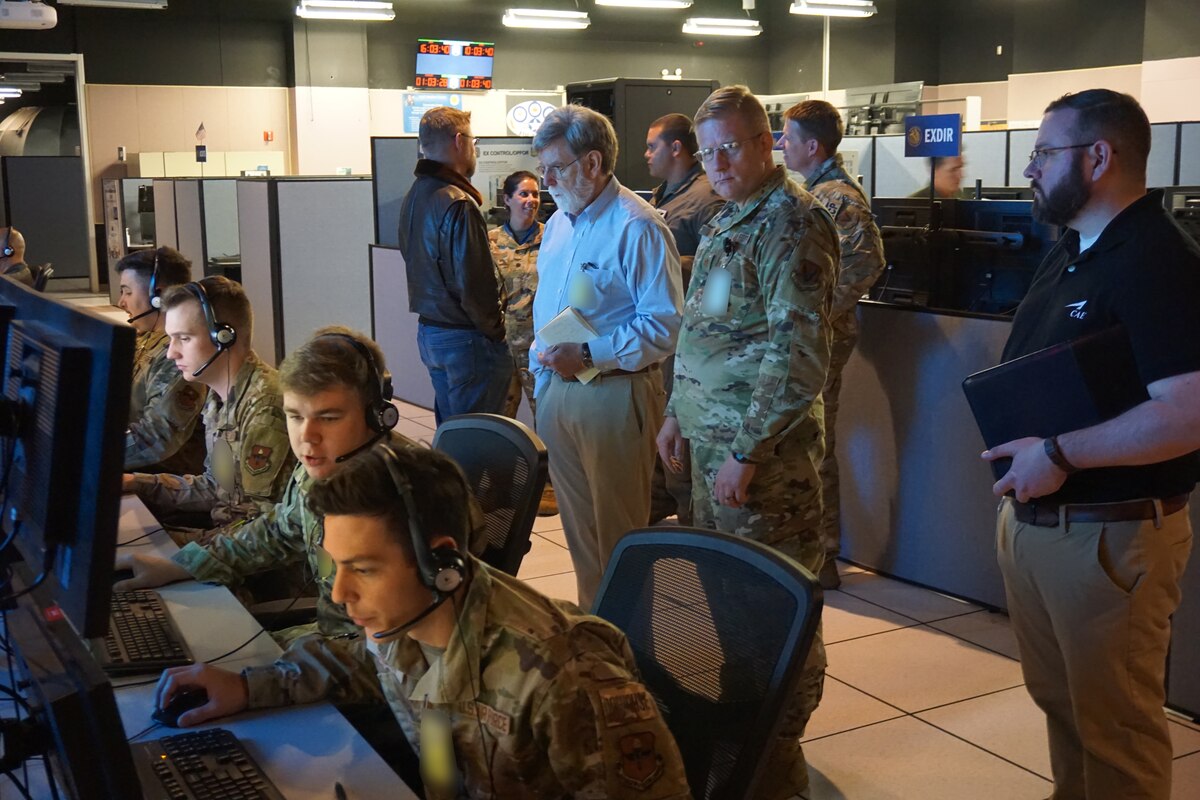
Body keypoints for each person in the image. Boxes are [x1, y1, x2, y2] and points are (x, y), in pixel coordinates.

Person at [151, 444, 693, 800]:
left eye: (363, 569)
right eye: (337, 566)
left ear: (442, 562)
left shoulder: (562, 681)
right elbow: (365, 663)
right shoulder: (410, 617)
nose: (341, 594)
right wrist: (249, 687)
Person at [982, 89, 1200, 800]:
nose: (1030, 169)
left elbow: (1188, 413)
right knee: (1066, 714)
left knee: (1116, 736)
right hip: (1041, 525)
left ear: (1098, 156)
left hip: (1110, 540)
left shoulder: (1158, 260)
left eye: (1045, 153)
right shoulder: (1073, 247)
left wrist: (1061, 454)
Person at [657, 85, 839, 799]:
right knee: (721, 608)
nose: (719, 162)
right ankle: (741, 749)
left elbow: (796, 357)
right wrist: (676, 410)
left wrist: (749, 451)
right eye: (708, 152)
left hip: (762, 467)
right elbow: (703, 331)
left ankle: (778, 761)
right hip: (709, 452)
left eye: (732, 147)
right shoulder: (729, 219)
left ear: (767, 144)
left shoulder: (793, 223)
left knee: (773, 613)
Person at [116, 326, 414, 642]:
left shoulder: (399, 498)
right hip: (334, 641)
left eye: (328, 417)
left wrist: (254, 681)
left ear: (377, 416)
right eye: (295, 416)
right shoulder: (324, 468)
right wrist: (183, 565)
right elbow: (276, 532)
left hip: (363, 658)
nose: (306, 437)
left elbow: (391, 652)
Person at [530, 104, 683, 609]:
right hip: (560, 392)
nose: (546, 179)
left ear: (593, 164)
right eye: (542, 167)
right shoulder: (558, 226)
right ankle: (597, 642)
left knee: (619, 536)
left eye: (557, 166)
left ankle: (631, 646)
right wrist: (543, 370)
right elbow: (548, 305)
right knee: (580, 535)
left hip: (613, 393)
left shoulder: (637, 226)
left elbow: (663, 324)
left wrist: (590, 354)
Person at [781, 99, 886, 590]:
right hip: (809, 338)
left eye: (787, 136)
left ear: (812, 145)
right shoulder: (813, 192)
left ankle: (821, 558)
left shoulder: (837, 197)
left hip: (822, 340)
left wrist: (819, 311)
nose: (782, 145)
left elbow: (867, 264)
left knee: (816, 444)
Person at [124, 276, 294, 536]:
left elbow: (257, 530)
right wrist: (137, 483)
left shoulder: (265, 410)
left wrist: (181, 552)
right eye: (171, 339)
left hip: (255, 566)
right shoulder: (219, 397)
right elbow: (215, 487)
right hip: (226, 544)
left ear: (224, 337)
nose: (171, 353)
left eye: (184, 338)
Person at [398, 106, 509, 426]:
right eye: (474, 141)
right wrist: (497, 334)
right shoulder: (458, 202)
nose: (475, 148)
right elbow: (474, 284)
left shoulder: (415, 195)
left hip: (432, 333)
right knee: (478, 441)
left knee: (453, 432)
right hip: (467, 340)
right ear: (459, 141)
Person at [643, 112, 726, 526]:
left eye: (651, 146)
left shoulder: (708, 197)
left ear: (677, 148)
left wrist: (665, 263)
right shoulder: (662, 195)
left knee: (685, 448)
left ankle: (693, 526)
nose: (646, 155)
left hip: (693, 341)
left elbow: (721, 280)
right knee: (663, 438)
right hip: (663, 335)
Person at [488, 169, 558, 516]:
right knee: (503, 417)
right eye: (524, 194)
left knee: (545, 414)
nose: (531, 200)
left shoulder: (553, 237)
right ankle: (501, 485)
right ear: (508, 200)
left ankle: (548, 485)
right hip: (502, 345)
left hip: (541, 345)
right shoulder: (492, 242)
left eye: (535, 194)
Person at [115, 247, 208, 476]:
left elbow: (155, 438)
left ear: (158, 296)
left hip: (161, 480)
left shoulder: (176, 356)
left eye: (127, 292)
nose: (121, 303)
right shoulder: (145, 337)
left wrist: (87, 453)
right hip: (137, 469)